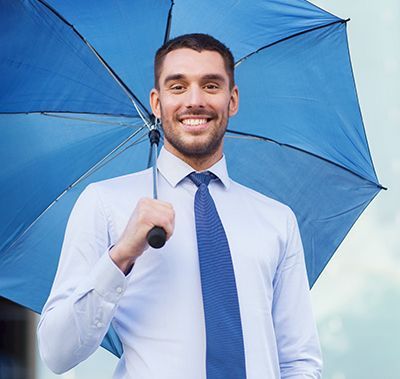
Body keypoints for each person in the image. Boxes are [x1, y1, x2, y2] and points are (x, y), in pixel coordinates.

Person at [38, 33, 322, 378]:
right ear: (156, 103)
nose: (194, 100)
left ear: (232, 100)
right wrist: (121, 255)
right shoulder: (104, 203)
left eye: (211, 86)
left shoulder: (277, 219)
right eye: (177, 87)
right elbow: (57, 352)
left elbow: (298, 361)